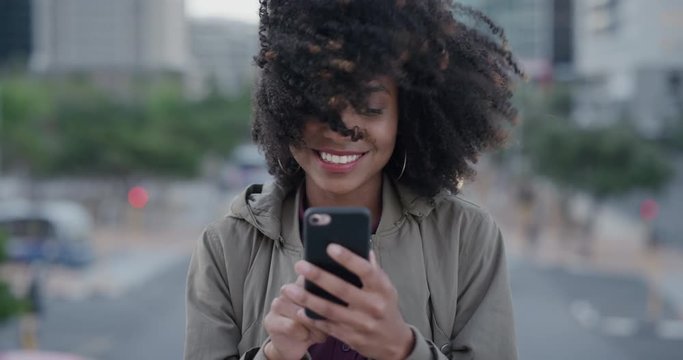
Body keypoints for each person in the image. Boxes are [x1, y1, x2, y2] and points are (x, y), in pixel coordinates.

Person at [185, 0, 523, 359]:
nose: (342, 129)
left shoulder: (467, 236)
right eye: (318, 105)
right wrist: (274, 357)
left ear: (404, 117)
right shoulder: (224, 247)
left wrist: (402, 349)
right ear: (282, 106)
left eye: (370, 107)